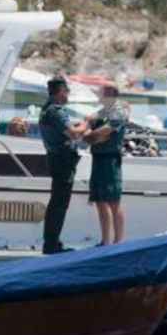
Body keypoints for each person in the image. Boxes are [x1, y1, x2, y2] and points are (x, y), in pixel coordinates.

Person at [39, 76, 89, 254]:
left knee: (57, 203)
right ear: (60, 92)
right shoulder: (56, 111)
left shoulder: (48, 110)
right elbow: (74, 134)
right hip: (62, 161)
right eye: (66, 91)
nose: (68, 95)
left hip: (57, 159)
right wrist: (87, 123)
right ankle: (52, 245)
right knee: (59, 204)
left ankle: (52, 242)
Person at [84, 85, 130, 245]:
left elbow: (105, 131)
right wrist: (91, 134)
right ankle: (105, 241)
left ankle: (118, 241)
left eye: (101, 94)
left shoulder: (118, 111)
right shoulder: (105, 110)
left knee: (113, 201)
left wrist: (91, 136)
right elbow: (89, 120)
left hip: (110, 159)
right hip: (98, 157)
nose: (99, 97)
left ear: (109, 95)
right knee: (99, 200)